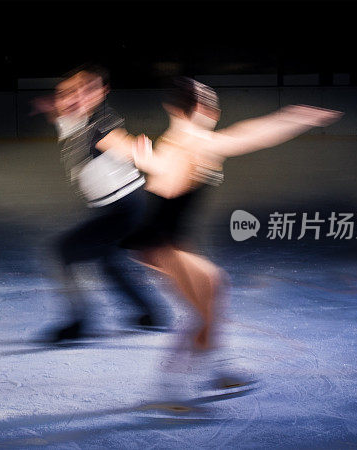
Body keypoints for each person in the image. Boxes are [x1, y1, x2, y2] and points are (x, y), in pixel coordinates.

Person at [124, 77, 342, 397]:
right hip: (159, 244)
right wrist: (293, 118)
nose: (215, 108)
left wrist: (152, 165)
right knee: (205, 304)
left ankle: (213, 371)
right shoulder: (192, 140)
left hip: (166, 241)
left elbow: (173, 172)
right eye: (210, 101)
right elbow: (249, 137)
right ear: (201, 108)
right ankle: (171, 388)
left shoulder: (183, 139)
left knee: (211, 289)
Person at [35, 65, 167, 343]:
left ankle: (77, 323)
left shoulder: (100, 126)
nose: (78, 96)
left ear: (102, 93)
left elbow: (123, 144)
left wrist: (141, 153)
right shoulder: (76, 119)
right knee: (109, 263)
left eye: (88, 89)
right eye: (71, 91)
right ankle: (152, 313)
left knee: (62, 252)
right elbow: (64, 114)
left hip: (125, 210)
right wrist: (54, 107)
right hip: (120, 208)